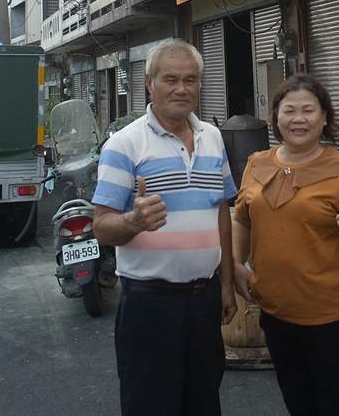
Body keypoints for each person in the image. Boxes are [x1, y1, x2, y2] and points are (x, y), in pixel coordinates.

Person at [92, 38, 237, 416]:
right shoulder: (125, 144)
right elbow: (101, 227)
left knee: (204, 401)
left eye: (190, 80)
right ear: (149, 83)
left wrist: (226, 283)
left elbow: (221, 210)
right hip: (149, 304)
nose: (181, 89)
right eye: (170, 79)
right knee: (150, 404)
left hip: (204, 300)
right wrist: (133, 221)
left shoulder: (213, 137)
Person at [233, 73, 339, 416]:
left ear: (325, 117)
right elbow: (241, 218)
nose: (298, 119)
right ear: (276, 117)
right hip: (274, 310)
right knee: (296, 399)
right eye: (289, 110)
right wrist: (236, 264)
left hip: (330, 314)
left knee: (335, 402)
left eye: (308, 110)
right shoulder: (257, 164)